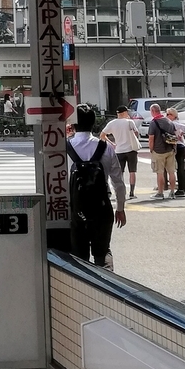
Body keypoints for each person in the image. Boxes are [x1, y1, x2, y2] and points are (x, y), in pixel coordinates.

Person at [67, 105, 127, 267]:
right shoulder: (105, 147)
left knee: (79, 257)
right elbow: (118, 182)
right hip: (101, 207)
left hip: (76, 209)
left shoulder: (65, 148)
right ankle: (106, 280)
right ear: (94, 123)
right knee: (103, 252)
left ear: (73, 124)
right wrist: (120, 208)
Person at [99, 106, 141, 200]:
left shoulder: (112, 123)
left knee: (120, 172)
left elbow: (102, 135)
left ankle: (121, 192)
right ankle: (132, 192)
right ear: (124, 113)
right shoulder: (129, 122)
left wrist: (112, 144)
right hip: (131, 149)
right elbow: (136, 133)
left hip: (119, 150)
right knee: (132, 171)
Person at [147, 103, 178, 200]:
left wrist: (151, 149)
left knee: (159, 172)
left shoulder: (153, 123)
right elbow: (175, 134)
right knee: (171, 172)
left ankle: (160, 193)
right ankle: (172, 192)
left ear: (153, 111)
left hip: (158, 151)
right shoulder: (169, 121)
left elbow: (151, 139)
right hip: (170, 149)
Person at [167, 107, 185, 198]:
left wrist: (180, 133)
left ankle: (181, 189)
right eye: (167, 114)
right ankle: (184, 188)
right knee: (181, 167)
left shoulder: (173, 123)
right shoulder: (175, 123)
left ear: (174, 116)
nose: (167, 116)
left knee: (180, 168)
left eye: (169, 114)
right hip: (181, 146)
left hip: (179, 146)